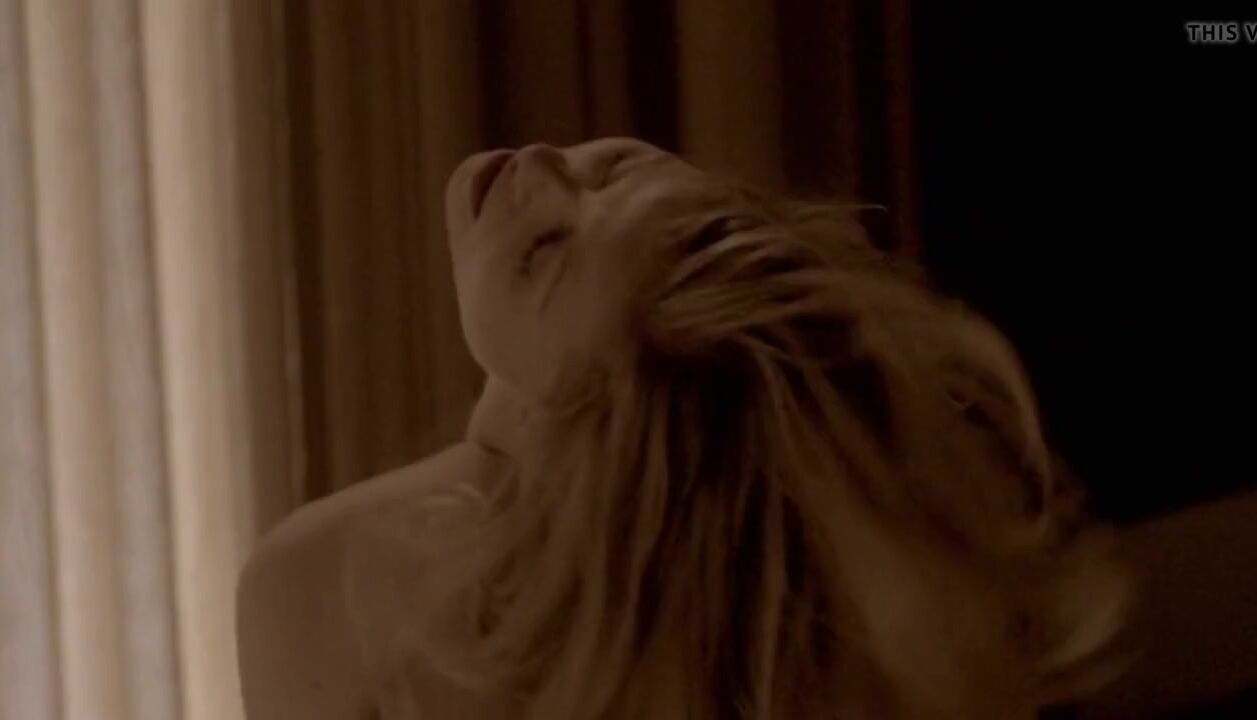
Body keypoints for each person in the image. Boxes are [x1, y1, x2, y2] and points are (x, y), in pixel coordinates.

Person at [236, 138, 1131, 719]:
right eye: (616, 167)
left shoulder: (321, 579)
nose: (541, 165)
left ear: (586, 432)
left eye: (544, 250)